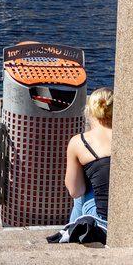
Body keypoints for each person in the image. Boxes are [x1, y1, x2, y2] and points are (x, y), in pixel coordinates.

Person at [49, 88, 113, 244]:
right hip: (127, 213)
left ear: (89, 111)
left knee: (82, 187)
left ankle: (70, 233)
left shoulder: (80, 141)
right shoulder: (129, 135)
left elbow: (75, 191)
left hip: (102, 219)